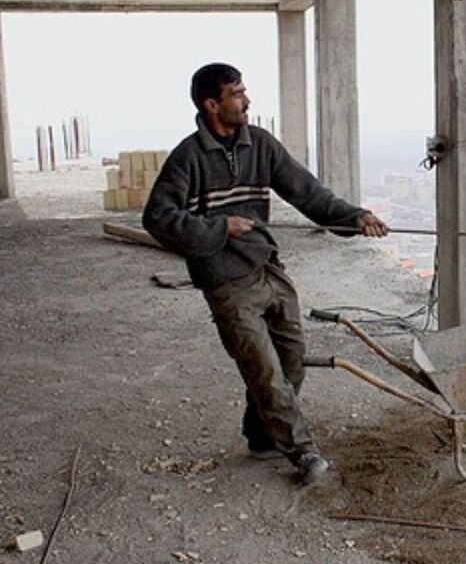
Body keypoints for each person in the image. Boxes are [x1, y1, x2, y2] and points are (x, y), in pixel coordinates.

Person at [143, 63, 389, 485]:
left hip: (267, 268)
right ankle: (303, 452)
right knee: (266, 372)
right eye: (237, 93)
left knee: (291, 362)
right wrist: (220, 228)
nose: (247, 99)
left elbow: (308, 193)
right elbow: (157, 218)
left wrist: (356, 217)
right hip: (225, 280)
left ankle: (260, 436)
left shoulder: (259, 144)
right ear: (212, 104)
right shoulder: (188, 158)